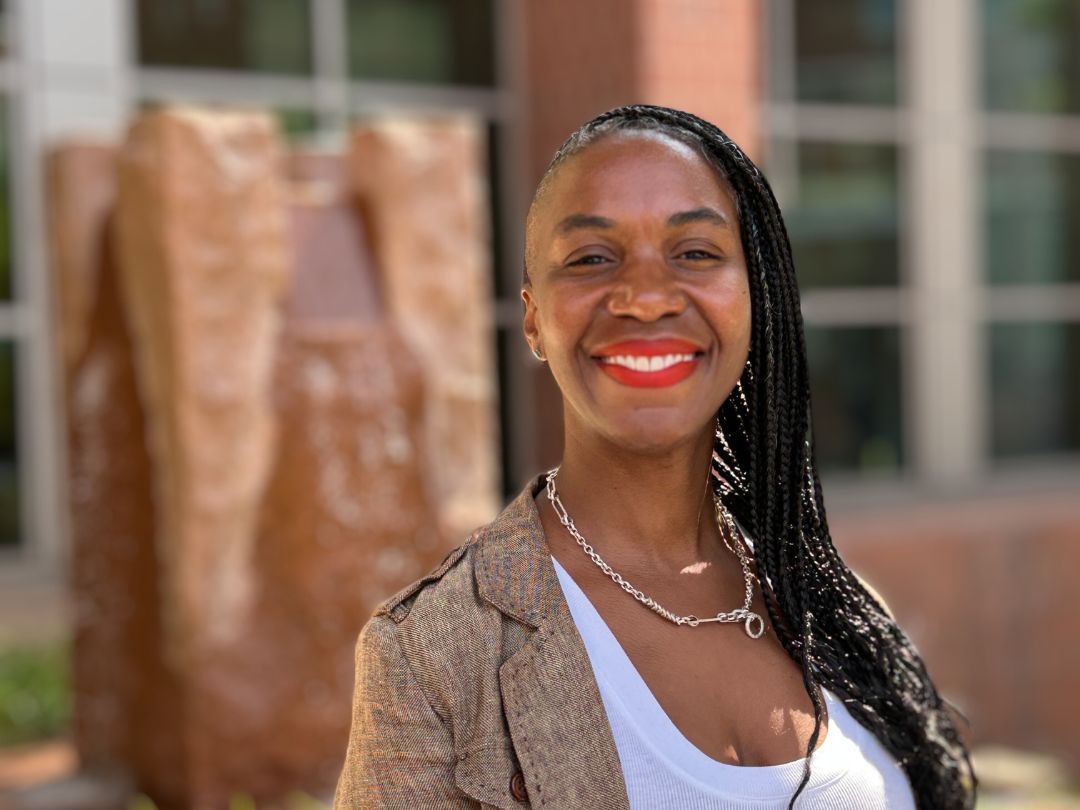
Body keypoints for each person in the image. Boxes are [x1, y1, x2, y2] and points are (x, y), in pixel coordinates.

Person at [334, 106, 976, 810]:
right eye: (591, 259)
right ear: (534, 320)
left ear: (754, 298)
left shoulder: (822, 593)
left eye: (695, 252)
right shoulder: (433, 658)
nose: (644, 298)